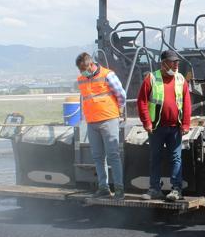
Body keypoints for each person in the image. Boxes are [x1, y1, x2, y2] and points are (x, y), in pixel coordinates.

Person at [137, 50, 191, 202]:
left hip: (175, 127)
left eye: (177, 62)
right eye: (173, 62)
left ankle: (176, 190)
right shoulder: (152, 78)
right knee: (155, 157)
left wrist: (186, 123)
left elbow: (186, 103)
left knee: (176, 158)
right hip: (156, 128)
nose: (176, 65)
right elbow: (141, 101)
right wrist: (146, 122)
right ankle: (155, 189)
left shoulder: (180, 79)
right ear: (163, 63)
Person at [76, 53, 126, 200]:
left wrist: (120, 110)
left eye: (84, 69)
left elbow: (121, 94)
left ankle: (119, 189)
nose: (82, 72)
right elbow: (85, 99)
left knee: (113, 155)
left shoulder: (107, 75)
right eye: (80, 70)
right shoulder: (81, 79)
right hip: (92, 122)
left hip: (108, 119)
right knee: (98, 157)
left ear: (91, 65)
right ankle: (103, 187)